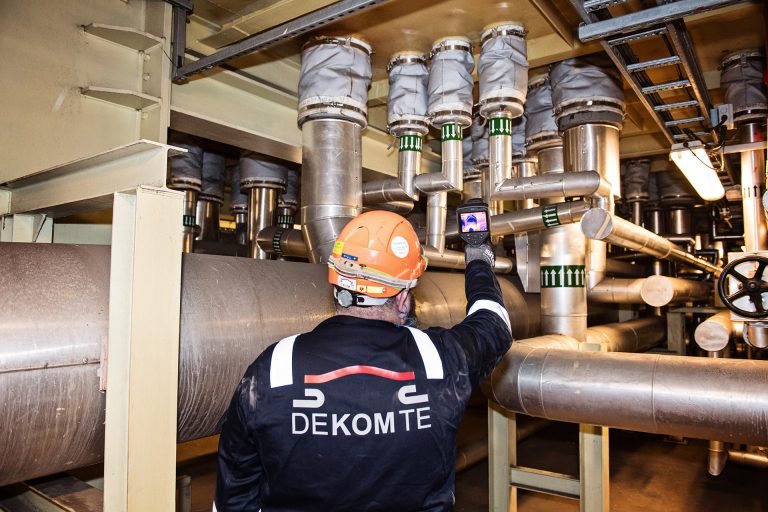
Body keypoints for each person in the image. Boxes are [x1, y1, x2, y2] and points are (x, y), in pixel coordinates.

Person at [214, 210, 513, 511]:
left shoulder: (272, 369)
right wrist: (477, 256)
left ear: (336, 285)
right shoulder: (440, 360)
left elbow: (234, 494)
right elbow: (494, 323)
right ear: (402, 298)